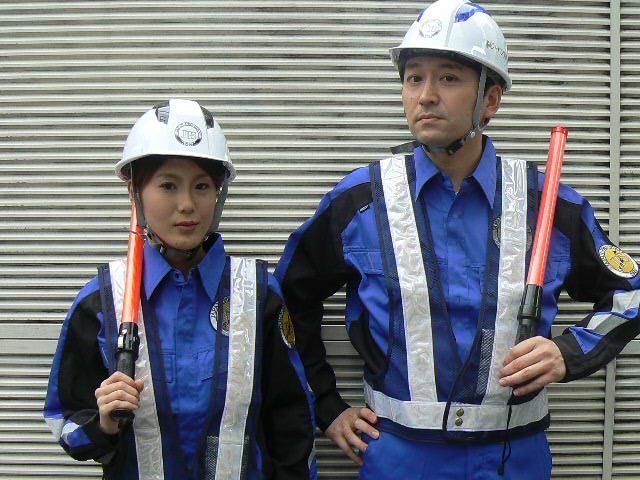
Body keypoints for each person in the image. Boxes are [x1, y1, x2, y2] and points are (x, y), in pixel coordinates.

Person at [274, 1, 640, 479]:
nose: (426, 96)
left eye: (448, 78)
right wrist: (327, 406)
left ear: (490, 99)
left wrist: (569, 352)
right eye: (414, 78)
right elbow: (287, 301)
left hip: (513, 460)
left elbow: (630, 294)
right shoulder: (360, 202)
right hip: (398, 458)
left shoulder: (549, 206)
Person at [44, 99, 318, 480]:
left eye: (202, 186)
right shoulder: (102, 301)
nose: (187, 204)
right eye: (168, 185)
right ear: (135, 191)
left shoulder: (257, 295)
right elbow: (66, 421)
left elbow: (292, 424)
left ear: (219, 193)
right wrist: (103, 424)